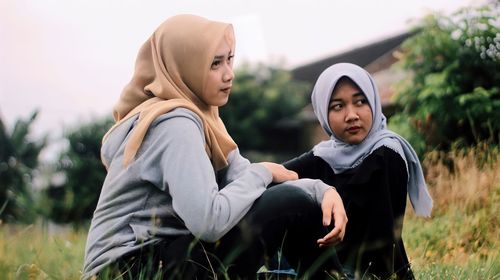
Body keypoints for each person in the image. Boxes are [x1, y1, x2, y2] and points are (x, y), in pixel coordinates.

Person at [81, 14, 348, 280]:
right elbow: (209, 222)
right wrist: (264, 172)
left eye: (229, 59)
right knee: (290, 203)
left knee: (297, 204)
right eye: (215, 64)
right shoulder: (174, 125)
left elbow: (242, 177)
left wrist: (321, 191)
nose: (229, 74)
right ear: (183, 67)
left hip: (171, 256)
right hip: (129, 267)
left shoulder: (205, 119)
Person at [282, 63, 433, 279]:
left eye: (360, 102)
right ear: (323, 113)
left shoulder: (387, 153)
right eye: (337, 106)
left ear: (373, 102)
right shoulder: (324, 155)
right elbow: (277, 176)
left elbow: (380, 237)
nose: (351, 115)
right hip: (330, 268)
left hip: (376, 272)